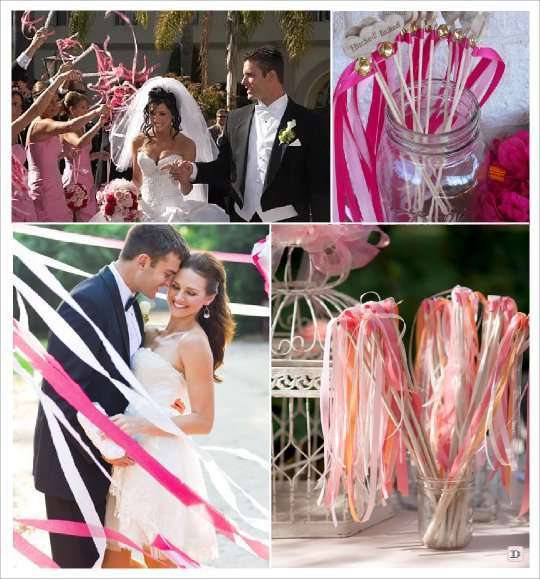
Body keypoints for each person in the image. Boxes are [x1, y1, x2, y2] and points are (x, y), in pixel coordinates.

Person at [33, 224, 189, 568]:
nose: (169, 284)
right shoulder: (88, 301)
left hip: (111, 465)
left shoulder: (131, 305)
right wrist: (110, 441)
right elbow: (66, 388)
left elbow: (117, 371)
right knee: (78, 565)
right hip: (73, 462)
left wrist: (153, 399)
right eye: (168, 274)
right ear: (144, 261)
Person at [103, 251, 235, 568]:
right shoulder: (150, 332)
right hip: (128, 456)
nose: (178, 297)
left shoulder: (194, 343)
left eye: (191, 292)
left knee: (159, 559)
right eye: (176, 286)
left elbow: (203, 421)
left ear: (208, 298)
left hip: (161, 458)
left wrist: (143, 425)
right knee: (115, 559)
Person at [172, 45, 330, 223]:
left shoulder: (311, 122)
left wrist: (322, 226)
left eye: (250, 75)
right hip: (241, 219)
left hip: (286, 223)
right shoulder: (235, 119)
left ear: (271, 76)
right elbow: (224, 168)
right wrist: (193, 170)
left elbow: (320, 187)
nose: (243, 82)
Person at [111, 77, 229, 222]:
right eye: (152, 112)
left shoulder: (187, 144)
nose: (156, 119)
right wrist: (126, 198)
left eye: (162, 114)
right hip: (144, 209)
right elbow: (136, 179)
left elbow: (187, 189)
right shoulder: (138, 141)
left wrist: (183, 178)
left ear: (173, 114)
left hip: (173, 211)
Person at [26, 79, 107, 221]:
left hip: (55, 184)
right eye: (49, 101)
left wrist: (67, 154)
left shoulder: (48, 123)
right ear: (39, 101)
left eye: (56, 100)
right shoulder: (42, 123)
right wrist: (97, 113)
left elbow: (50, 154)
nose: (54, 105)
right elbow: (70, 127)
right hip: (44, 186)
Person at [61, 91, 109, 221]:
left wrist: (97, 155)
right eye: (83, 108)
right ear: (72, 110)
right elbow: (80, 143)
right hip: (73, 179)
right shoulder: (66, 129)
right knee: (73, 216)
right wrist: (99, 125)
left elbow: (83, 156)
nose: (86, 111)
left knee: (89, 214)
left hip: (87, 178)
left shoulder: (82, 128)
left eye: (87, 108)